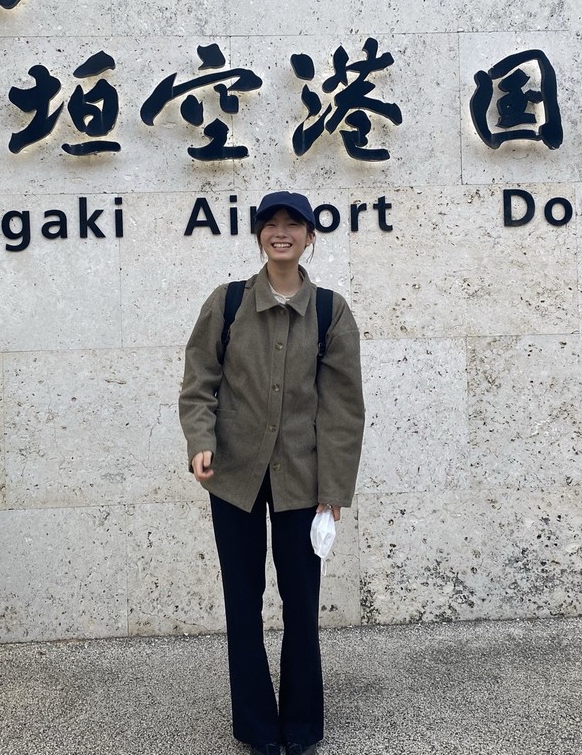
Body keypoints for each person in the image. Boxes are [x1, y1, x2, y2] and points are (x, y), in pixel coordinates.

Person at [180, 191, 365, 755]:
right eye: (271, 223)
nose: (281, 232)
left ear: (310, 236)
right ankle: (257, 729)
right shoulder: (228, 302)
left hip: (301, 480)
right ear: (259, 234)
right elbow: (199, 382)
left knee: (301, 603)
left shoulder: (331, 311)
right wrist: (200, 441)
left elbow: (343, 409)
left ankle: (302, 727)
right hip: (233, 475)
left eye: (293, 224)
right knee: (243, 601)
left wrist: (333, 488)